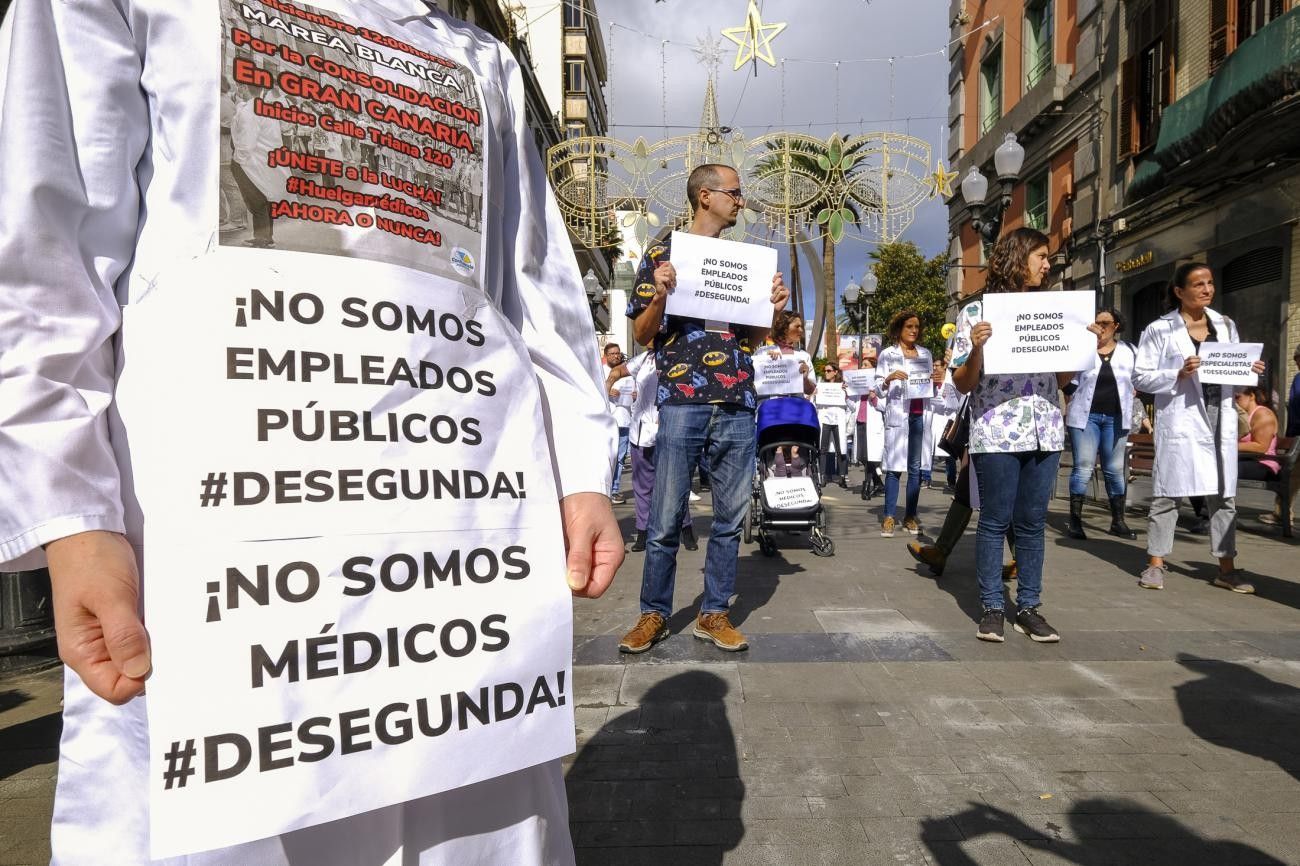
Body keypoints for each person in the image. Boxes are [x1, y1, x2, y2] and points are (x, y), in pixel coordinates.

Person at [0, 4, 623, 864]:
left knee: (471, 814)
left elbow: (536, 291)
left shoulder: (479, 58)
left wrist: (578, 471)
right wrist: (72, 514)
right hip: (223, 544)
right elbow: (45, 249)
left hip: (460, 542)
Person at [619, 163, 789, 655]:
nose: (741, 201)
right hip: (683, 400)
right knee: (667, 516)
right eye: (735, 193)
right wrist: (661, 294)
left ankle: (713, 612)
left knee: (731, 516)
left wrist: (772, 313)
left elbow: (752, 341)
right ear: (705, 196)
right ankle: (653, 613)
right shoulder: (663, 251)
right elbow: (643, 334)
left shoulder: (743, 262)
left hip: (737, 399)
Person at [951, 227, 1069, 644]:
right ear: (1018, 257)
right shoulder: (976, 311)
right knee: (995, 520)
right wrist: (977, 347)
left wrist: (1079, 347)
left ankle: (1031, 607)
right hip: (998, 431)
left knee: (1033, 522)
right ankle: (992, 607)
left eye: (1048, 256)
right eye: (1040, 255)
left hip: (1046, 429)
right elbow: (963, 383)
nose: (1047, 264)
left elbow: (1064, 376)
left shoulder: (1053, 309)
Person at [1134, 262, 1268, 593]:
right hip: (1181, 415)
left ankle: (1226, 568)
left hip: (1220, 414)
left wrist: (1249, 369)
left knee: (1223, 494)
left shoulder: (1225, 324)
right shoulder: (1158, 329)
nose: (1207, 289)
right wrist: (1176, 373)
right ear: (1180, 292)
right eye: (1198, 284)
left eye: (1209, 282)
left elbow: (1232, 370)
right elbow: (1140, 376)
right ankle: (1155, 563)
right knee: (1169, 492)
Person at [1063, 307, 1140, 541]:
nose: (1100, 326)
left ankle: (1118, 521)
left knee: (1115, 470)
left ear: (1116, 325)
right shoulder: (1083, 351)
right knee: (1083, 467)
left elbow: (1142, 379)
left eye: (1106, 323)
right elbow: (1067, 384)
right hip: (1086, 418)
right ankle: (1075, 521)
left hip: (1116, 418)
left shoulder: (1131, 351)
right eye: (1097, 322)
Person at [611, 351, 696, 552]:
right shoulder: (644, 358)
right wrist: (609, 381)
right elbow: (618, 371)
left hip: (670, 427)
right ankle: (643, 531)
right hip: (641, 431)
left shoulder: (681, 354)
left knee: (675, 483)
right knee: (643, 486)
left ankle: (686, 529)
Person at [875, 311, 933, 537]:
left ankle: (910, 515)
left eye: (917, 326)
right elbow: (878, 386)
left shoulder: (925, 354)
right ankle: (889, 516)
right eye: (909, 326)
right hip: (899, 415)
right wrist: (889, 379)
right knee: (894, 468)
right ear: (899, 328)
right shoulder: (888, 355)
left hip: (919, 414)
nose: (914, 330)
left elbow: (929, 384)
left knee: (915, 469)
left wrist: (935, 380)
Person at [603, 343, 633, 504]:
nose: (616, 356)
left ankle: (614, 490)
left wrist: (635, 395)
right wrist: (605, 389)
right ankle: (602, 489)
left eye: (618, 353)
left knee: (620, 458)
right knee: (605, 456)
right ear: (606, 355)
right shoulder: (599, 370)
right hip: (605, 420)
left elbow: (637, 391)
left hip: (624, 419)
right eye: (612, 353)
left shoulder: (628, 371)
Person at [855, 346, 886, 499]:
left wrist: (874, 397)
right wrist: (847, 394)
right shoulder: (859, 384)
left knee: (869, 457)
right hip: (860, 423)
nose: (862, 367)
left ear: (874, 369)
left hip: (872, 425)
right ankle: (879, 483)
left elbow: (884, 406)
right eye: (862, 365)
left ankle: (866, 487)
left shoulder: (879, 385)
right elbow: (853, 406)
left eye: (866, 365)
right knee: (862, 456)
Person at [816, 364, 850, 487]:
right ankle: (823, 476)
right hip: (825, 419)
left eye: (829, 370)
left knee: (841, 448)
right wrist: (815, 394)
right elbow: (816, 403)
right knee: (823, 449)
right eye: (825, 370)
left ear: (835, 372)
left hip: (838, 419)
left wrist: (846, 393)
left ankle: (842, 477)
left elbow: (851, 405)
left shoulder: (843, 386)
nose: (826, 372)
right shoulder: (821, 385)